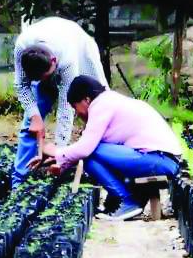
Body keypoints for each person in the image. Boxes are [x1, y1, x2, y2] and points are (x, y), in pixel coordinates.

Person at [37, 75, 182, 221]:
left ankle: (127, 200)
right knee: (91, 157)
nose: (77, 113)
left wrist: (55, 152)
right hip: (160, 159)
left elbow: (85, 148)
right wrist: (61, 162)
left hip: (158, 159)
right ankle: (121, 201)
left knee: (91, 152)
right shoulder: (110, 101)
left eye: (75, 107)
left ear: (86, 100)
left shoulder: (101, 105)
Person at [12, 17, 107, 185]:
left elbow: (66, 107)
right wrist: (35, 117)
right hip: (50, 53)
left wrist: (59, 152)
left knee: (98, 105)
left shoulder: (68, 58)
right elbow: (21, 85)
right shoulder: (22, 46)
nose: (44, 81)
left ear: (54, 62)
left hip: (80, 47)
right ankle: (19, 181)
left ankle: (103, 168)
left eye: (46, 76)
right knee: (30, 124)